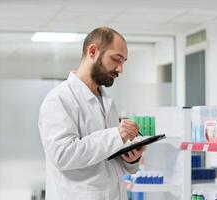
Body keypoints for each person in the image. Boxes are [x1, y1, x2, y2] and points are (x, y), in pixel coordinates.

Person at [38, 27, 146, 200]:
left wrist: (130, 158)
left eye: (123, 62)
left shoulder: (107, 102)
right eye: (116, 59)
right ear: (93, 51)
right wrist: (116, 135)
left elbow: (106, 159)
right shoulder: (59, 99)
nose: (120, 69)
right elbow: (63, 155)